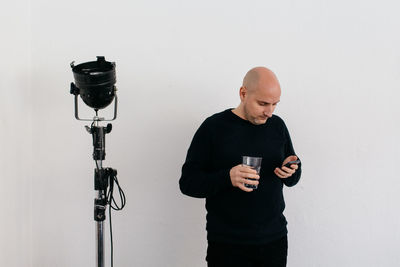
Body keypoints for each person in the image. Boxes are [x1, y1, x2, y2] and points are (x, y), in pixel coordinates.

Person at [179, 67, 302, 267]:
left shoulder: (277, 125)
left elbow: (292, 174)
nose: (269, 112)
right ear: (243, 93)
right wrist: (227, 177)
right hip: (228, 245)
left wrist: (292, 170)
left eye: (274, 104)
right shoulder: (213, 128)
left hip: (274, 241)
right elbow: (188, 183)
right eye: (262, 103)